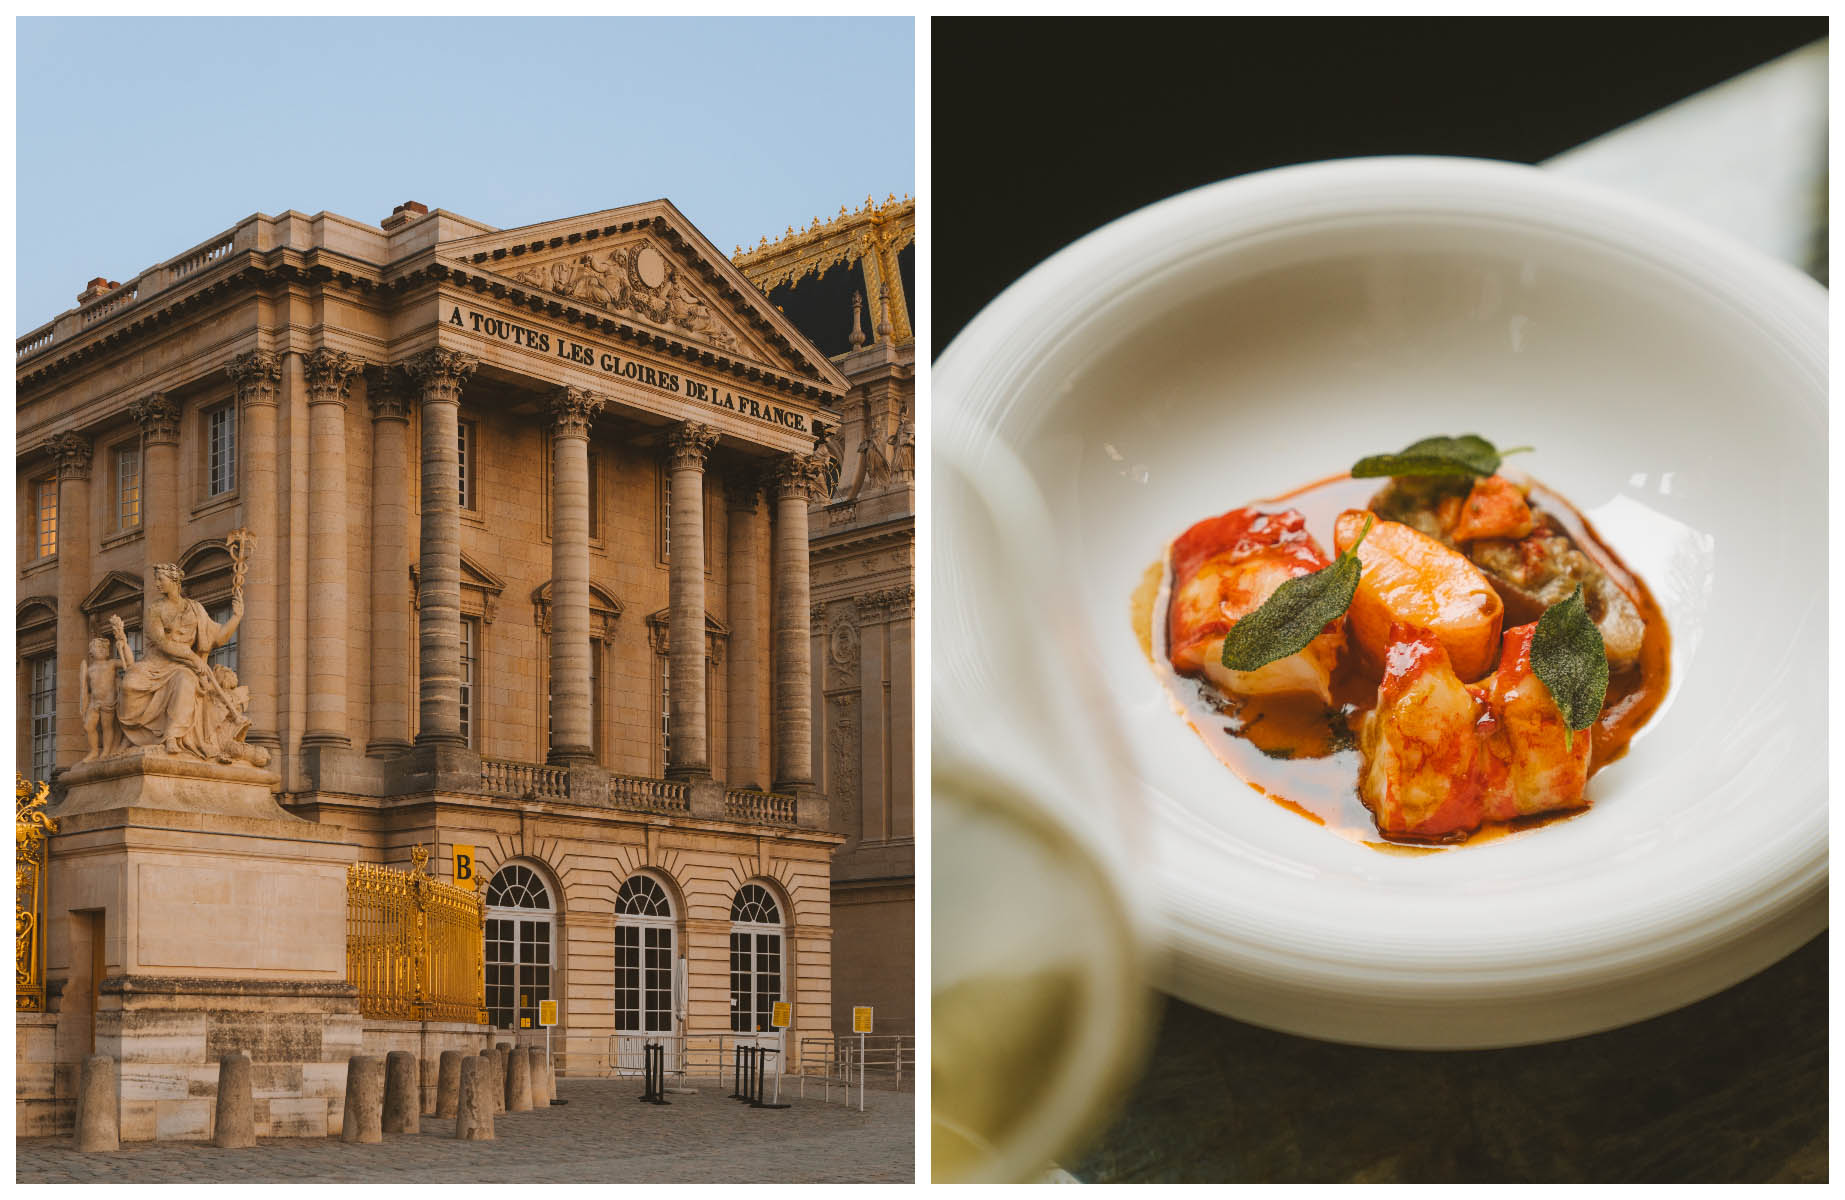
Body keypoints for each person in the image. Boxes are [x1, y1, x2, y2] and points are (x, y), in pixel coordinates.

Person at [116, 564, 244, 759]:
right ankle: (137, 734)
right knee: (128, 684)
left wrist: (236, 616)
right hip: (155, 663)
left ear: (174, 581)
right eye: (156, 579)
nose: (157, 584)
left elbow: (217, 638)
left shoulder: (195, 609)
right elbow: (161, 643)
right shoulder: (155, 609)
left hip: (182, 667)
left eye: (161, 579)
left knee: (185, 681)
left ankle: (172, 736)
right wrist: (192, 657)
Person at [78, 627, 133, 762]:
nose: (102, 650)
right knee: (88, 726)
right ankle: (94, 751)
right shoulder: (89, 669)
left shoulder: (111, 664)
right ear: (91, 652)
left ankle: (107, 751)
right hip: (94, 702)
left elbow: (129, 664)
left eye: (104, 648)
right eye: (98, 647)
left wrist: (123, 646)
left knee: (107, 727)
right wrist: (83, 707)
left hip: (109, 701)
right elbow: (84, 689)